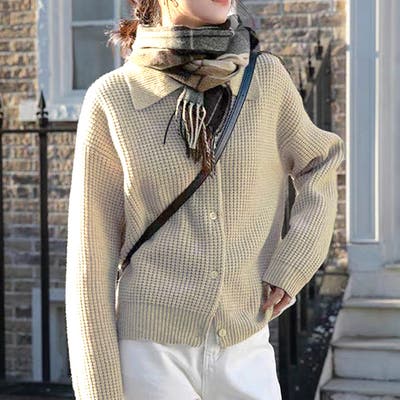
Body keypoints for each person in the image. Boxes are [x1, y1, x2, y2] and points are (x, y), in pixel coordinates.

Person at [64, 0, 345, 399]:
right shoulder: (114, 98)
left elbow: (321, 161)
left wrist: (294, 260)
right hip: (150, 356)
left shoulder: (264, 79)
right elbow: (90, 265)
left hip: (246, 345)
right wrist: (101, 392)